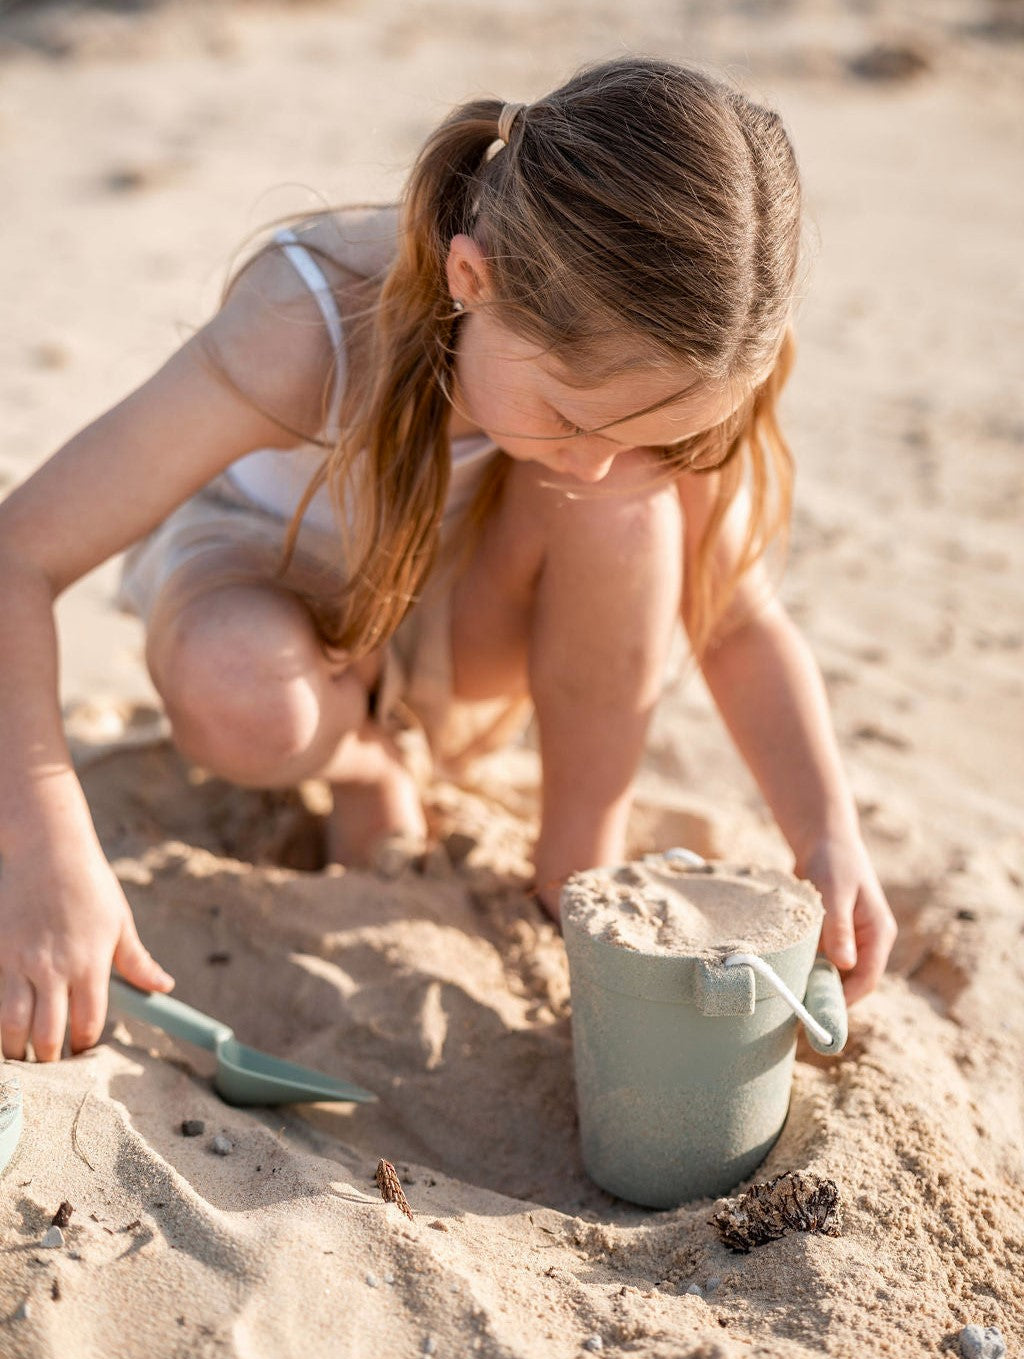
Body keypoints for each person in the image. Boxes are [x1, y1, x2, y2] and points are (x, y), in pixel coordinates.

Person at [0, 57, 896, 1065]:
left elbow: (729, 617)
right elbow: (19, 555)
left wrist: (826, 831)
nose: (597, 455)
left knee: (624, 507)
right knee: (243, 694)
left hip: (464, 604)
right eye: (568, 415)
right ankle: (365, 760)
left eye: (638, 433)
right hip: (275, 579)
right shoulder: (307, 323)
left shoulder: (658, 369)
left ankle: (573, 880)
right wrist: (44, 846)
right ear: (473, 279)